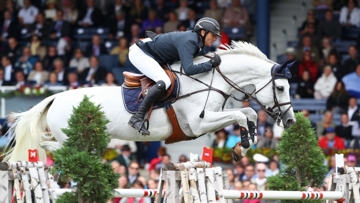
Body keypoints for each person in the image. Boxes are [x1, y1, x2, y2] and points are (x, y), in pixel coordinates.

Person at [127, 17, 222, 135]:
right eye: (213, 35)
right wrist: (209, 65)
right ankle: (138, 116)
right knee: (164, 81)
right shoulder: (190, 41)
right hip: (141, 53)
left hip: (153, 53)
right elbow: (189, 69)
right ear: (203, 32)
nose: (215, 38)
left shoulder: (197, 41)